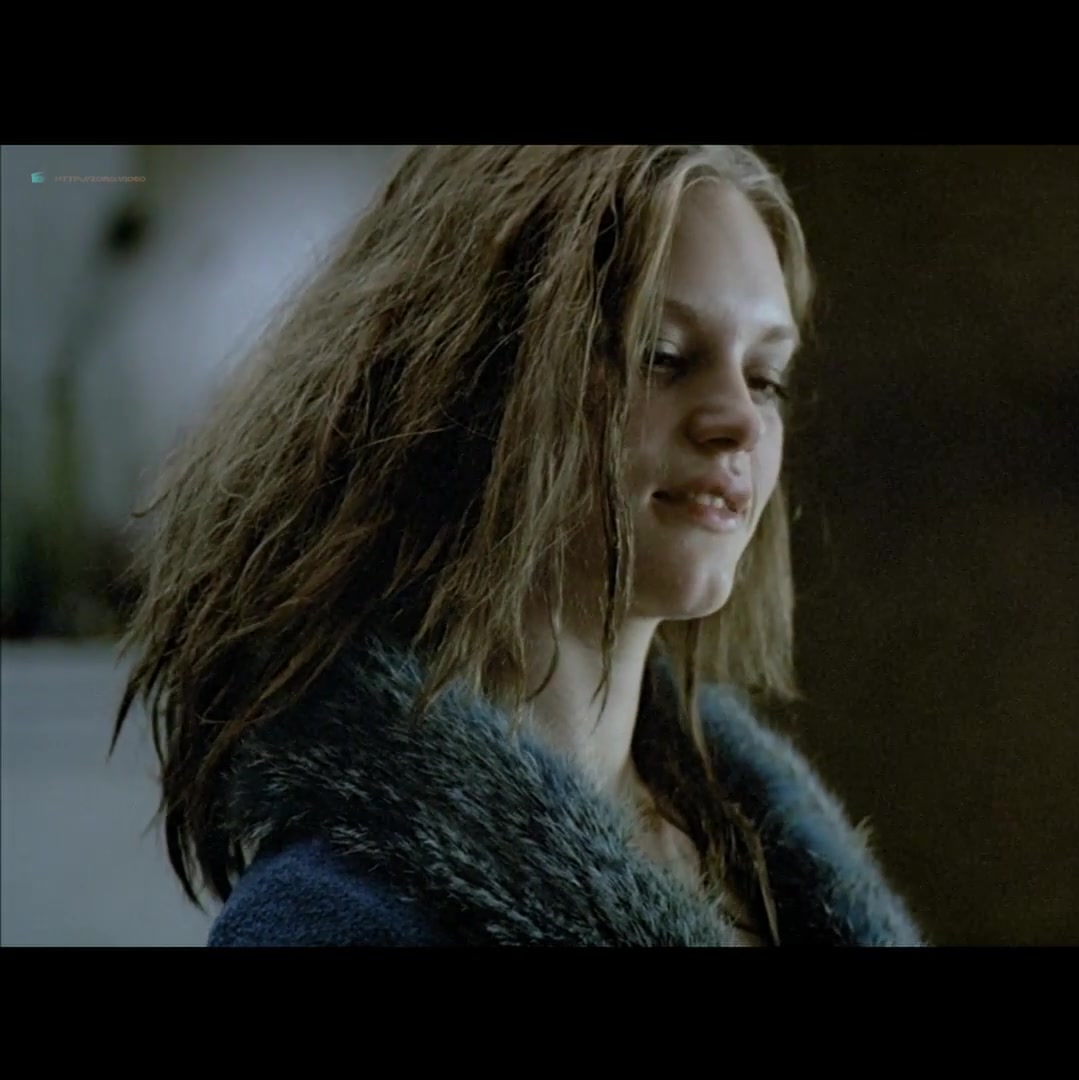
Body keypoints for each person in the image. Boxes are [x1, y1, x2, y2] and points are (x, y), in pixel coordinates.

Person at [112, 145, 924, 947]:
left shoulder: (766, 863)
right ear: (471, 380)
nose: (740, 420)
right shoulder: (331, 920)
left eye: (766, 377)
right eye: (662, 355)